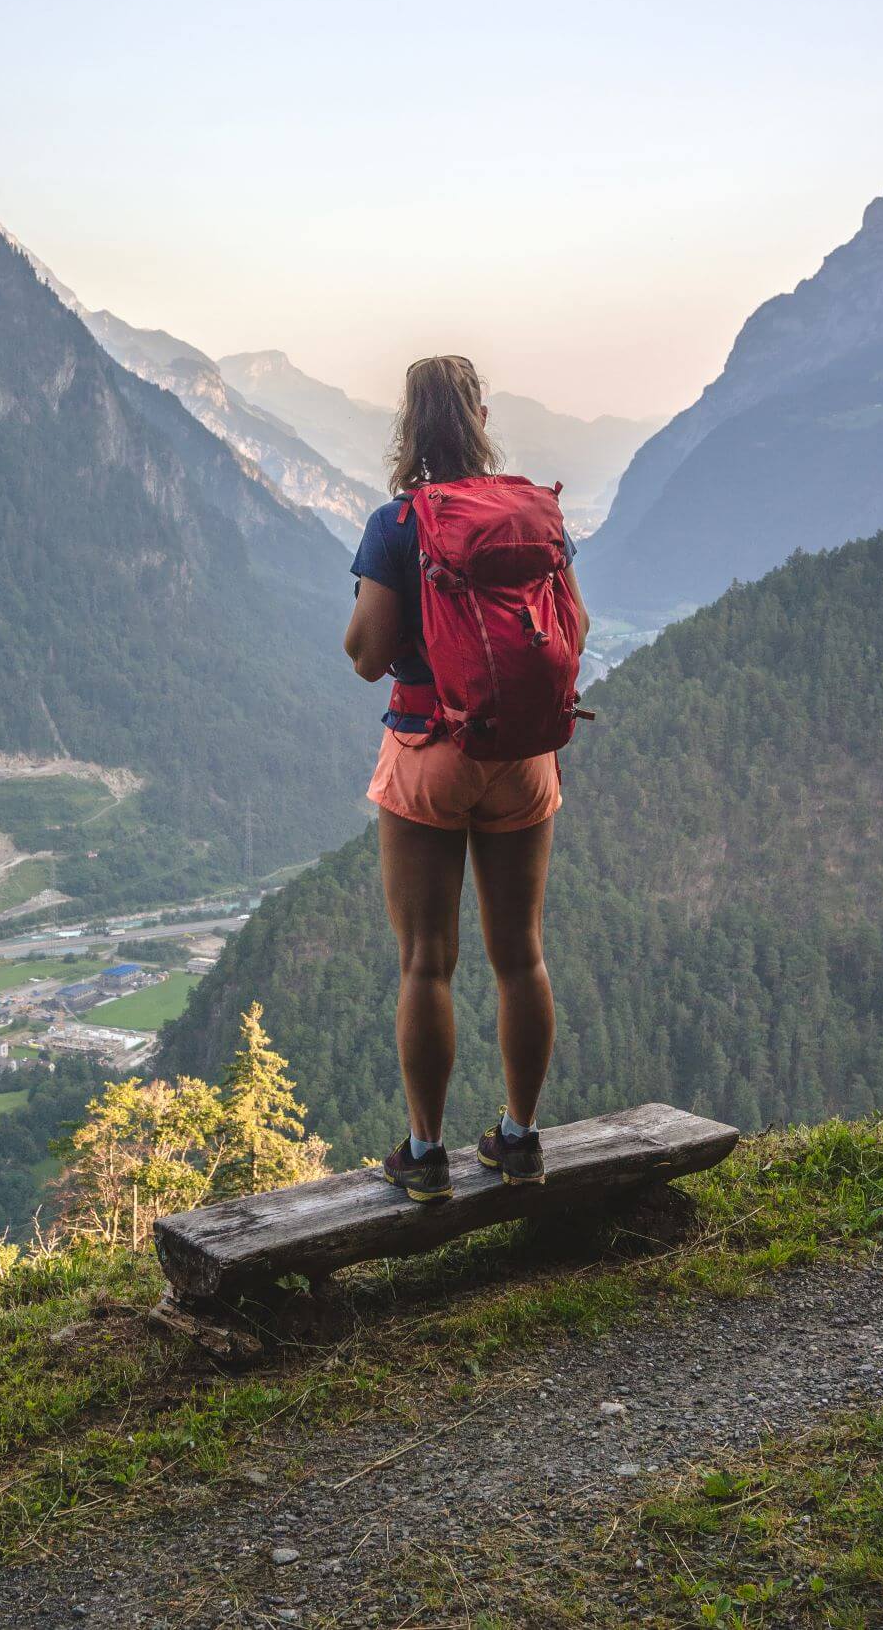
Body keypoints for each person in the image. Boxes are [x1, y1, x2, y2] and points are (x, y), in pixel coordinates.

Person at [344, 355, 589, 1201]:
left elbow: (367, 656)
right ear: (482, 414)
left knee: (426, 963)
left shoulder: (397, 523)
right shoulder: (531, 512)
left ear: (408, 422)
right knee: (521, 955)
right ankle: (520, 1139)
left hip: (428, 751)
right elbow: (577, 623)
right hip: (524, 756)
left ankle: (426, 1154)